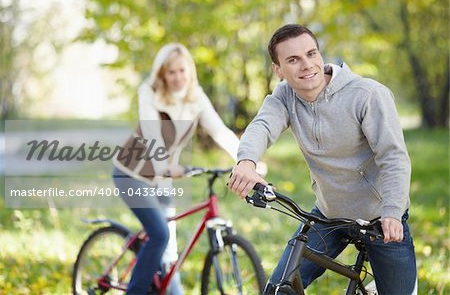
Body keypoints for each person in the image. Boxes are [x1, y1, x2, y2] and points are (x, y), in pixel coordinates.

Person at [227, 24, 417, 294]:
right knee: (280, 289)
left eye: (311, 54)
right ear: (278, 69)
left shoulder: (367, 95)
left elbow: (393, 157)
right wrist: (246, 162)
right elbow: (262, 126)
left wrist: (392, 212)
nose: (306, 65)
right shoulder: (285, 95)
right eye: (293, 59)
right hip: (329, 215)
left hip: (381, 218)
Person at [113, 43, 239, 295]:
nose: (178, 77)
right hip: (131, 174)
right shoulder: (148, 92)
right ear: (162, 74)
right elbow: (151, 133)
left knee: (169, 255)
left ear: (190, 71)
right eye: (171, 72)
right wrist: (164, 166)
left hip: (162, 181)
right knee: (159, 235)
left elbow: (219, 131)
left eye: (182, 70)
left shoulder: (197, 96)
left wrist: (247, 160)